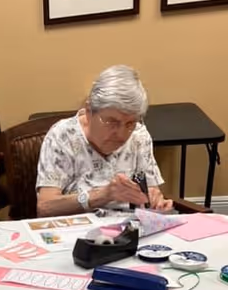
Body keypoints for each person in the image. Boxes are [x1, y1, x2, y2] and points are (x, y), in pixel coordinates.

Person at [36, 65, 173, 217]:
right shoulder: (63, 136)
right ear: (89, 111)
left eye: (130, 123)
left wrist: (156, 201)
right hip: (78, 234)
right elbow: (45, 207)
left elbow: (152, 190)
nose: (121, 134)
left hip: (130, 231)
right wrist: (104, 195)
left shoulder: (139, 135)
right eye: (112, 122)